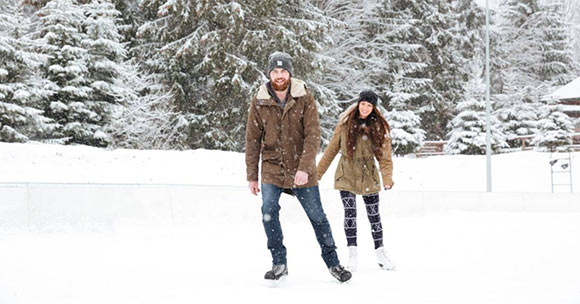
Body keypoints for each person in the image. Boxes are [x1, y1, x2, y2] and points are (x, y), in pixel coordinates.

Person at [245, 51, 352, 283]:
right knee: (268, 211)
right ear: (270, 73)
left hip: (300, 167)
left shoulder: (305, 97)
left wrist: (304, 168)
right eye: (275, 71)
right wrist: (252, 175)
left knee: (317, 216)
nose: (279, 75)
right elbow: (252, 140)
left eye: (283, 71)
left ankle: (333, 263)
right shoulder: (260, 100)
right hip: (272, 166)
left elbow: (313, 135)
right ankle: (279, 262)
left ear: (290, 73)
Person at [316, 90, 396, 271]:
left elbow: (385, 157)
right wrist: (317, 174)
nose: (365, 108)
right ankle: (352, 254)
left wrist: (387, 178)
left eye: (369, 105)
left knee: (374, 215)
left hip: (368, 174)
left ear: (374, 108)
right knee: (350, 213)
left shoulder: (378, 127)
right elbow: (330, 151)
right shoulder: (345, 123)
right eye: (363, 104)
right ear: (358, 103)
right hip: (347, 173)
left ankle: (380, 252)